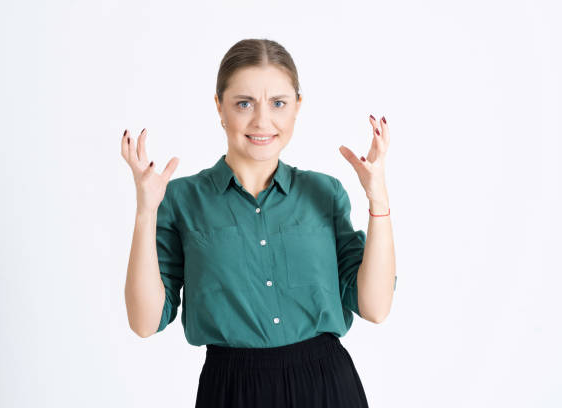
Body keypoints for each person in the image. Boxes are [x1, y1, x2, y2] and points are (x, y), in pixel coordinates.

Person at [122, 38, 397, 408]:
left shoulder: (325, 192)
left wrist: (377, 197)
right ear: (219, 107)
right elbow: (145, 322)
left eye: (278, 103)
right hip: (232, 391)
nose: (262, 120)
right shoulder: (182, 199)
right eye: (244, 103)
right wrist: (146, 211)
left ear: (297, 108)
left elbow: (376, 307)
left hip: (327, 388)